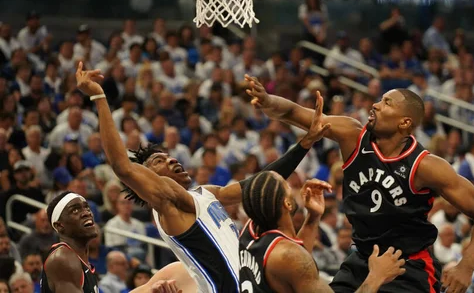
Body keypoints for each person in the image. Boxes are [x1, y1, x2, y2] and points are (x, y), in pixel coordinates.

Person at [76, 63, 331, 293]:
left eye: (168, 157)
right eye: (158, 162)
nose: (171, 160)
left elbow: (260, 184)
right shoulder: (168, 203)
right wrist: (99, 97)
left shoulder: (204, 194)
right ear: (148, 181)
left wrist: (306, 143)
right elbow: (122, 166)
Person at [245, 75, 474, 293]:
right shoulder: (353, 135)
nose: (375, 105)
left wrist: (466, 267)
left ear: (405, 122)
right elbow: (296, 114)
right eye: (379, 100)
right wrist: (268, 101)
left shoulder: (425, 166)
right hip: (363, 256)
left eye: (386, 102)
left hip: (406, 265)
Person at [239, 171, 406, 292]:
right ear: (288, 204)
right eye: (287, 186)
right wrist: (376, 276)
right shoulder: (289, 256)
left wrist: (313, 217)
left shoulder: (250, 231)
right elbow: (295, 260)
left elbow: (293, 264)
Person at [41, 192, 99, 293]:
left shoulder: (79, 260)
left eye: (87, 208)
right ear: (59, 225)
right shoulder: (62, 259)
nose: (86, 213)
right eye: (75, 210)